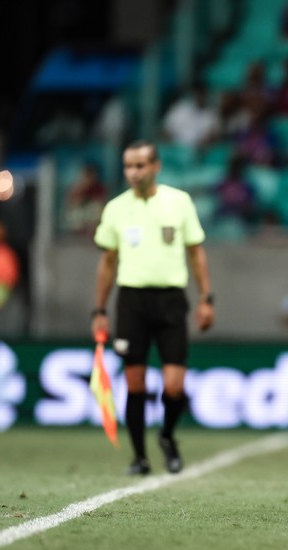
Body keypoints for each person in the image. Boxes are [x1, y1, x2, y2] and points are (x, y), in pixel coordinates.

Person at [92, 140, 214, 476]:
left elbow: (196, 252)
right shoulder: (116, 208)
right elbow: (107, 262)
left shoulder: (179, 202)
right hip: (131, 302)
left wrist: (206, 298)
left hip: (172, 301)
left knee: (174, 384)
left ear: (155, 166)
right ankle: (139, 457)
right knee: (135, 384)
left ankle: (167, 436)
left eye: (139, 166)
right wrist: (99, 309)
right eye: (128, 166)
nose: (133, 172)